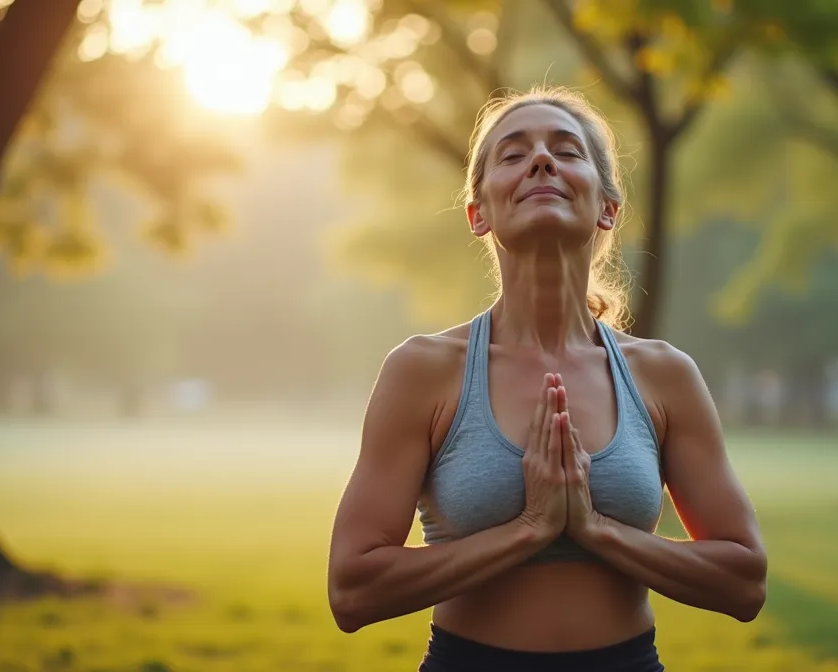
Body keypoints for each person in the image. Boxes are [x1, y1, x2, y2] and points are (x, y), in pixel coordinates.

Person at [327, 85, 767, 672]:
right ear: (478, 213)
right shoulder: (424, 371)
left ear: (607, 206)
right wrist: (529, 530)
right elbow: (353, 588)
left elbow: (744, 581)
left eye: (566, 150)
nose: (541, 160)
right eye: (512, 154)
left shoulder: (664, 375)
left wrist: (595, 529)